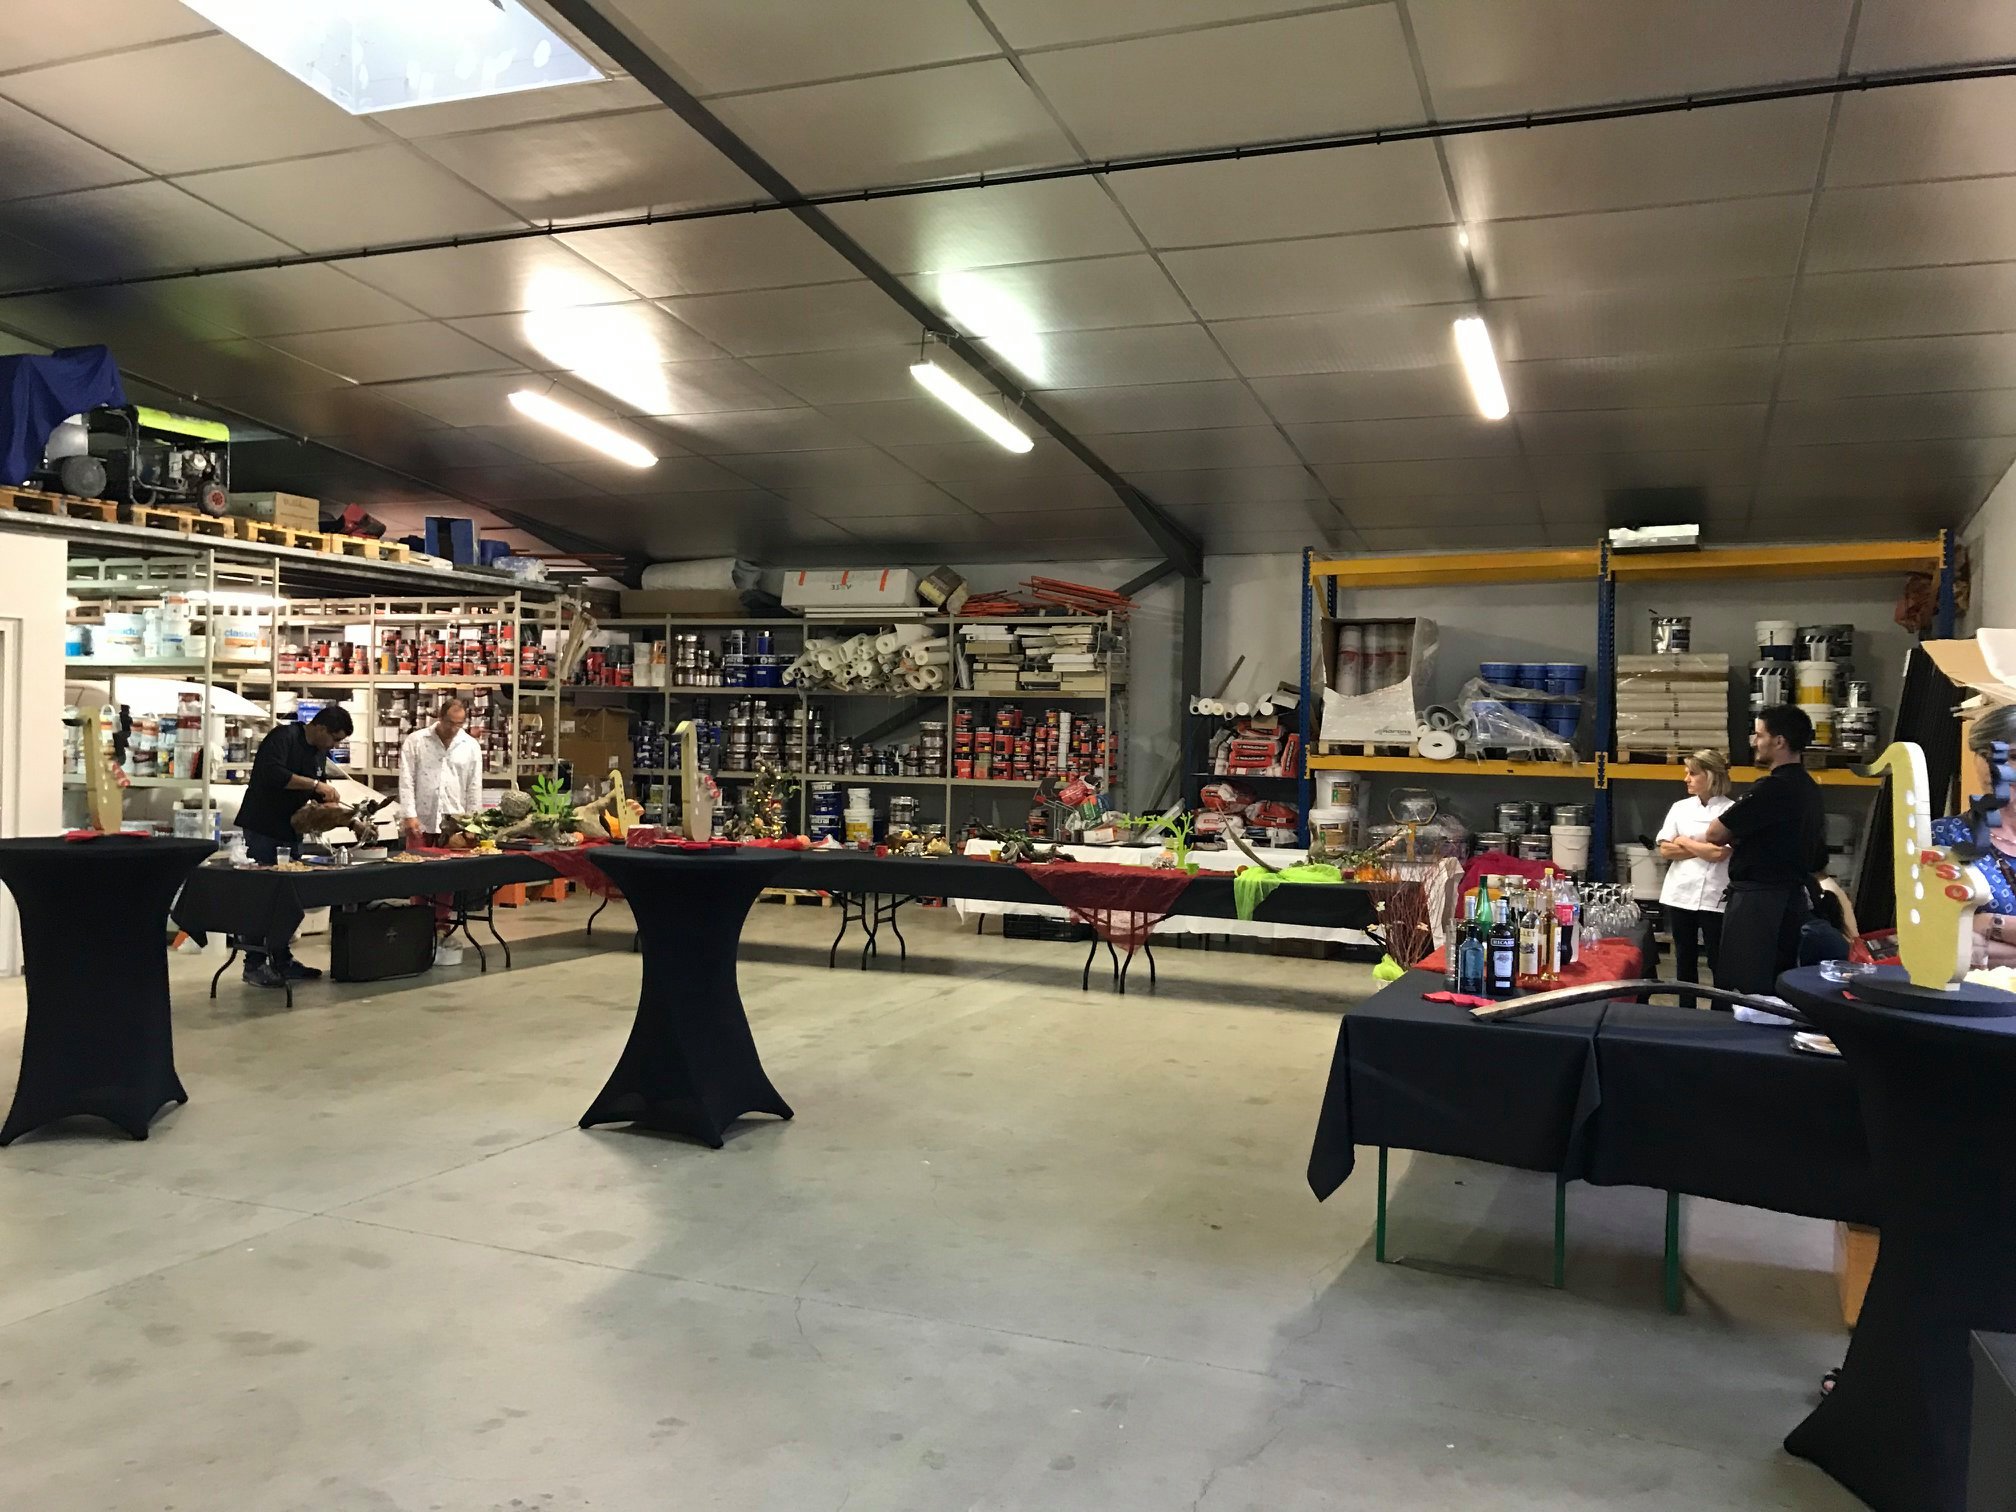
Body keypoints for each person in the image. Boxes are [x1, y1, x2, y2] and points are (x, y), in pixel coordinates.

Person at [1706, 704, 1827, 995]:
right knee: (1777, 979)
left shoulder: (1772, 788)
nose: (1754, 742)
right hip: (1791, 899)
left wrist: (1739, 839)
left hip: (1759, 904)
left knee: (1748, 984)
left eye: (1760, 735)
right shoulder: (1809, 788)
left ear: (1779, 741)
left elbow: (1715, 833)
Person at [233, 704, 351, 988]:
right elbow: (272, 774)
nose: (334, 746)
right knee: (263, 897)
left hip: (291, 831)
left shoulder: (318, 752)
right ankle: (254, 964)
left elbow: (320, 795)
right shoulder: (283, 738)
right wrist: (315, 785)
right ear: (320, 728)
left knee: (289, 899)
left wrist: (350, 819)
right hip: (263, 828)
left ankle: (281, 958)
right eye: (334, 739)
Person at [1935, 702, 2016, 971]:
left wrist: (1988, 924)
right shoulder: (1946, 836)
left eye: (2013, 756)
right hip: (1980, 992)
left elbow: (1971, 937)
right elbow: (1942, 939)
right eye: (1985, 754)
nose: (1996, 768)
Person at [1656, 748, 1733, 1007]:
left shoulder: (1731, 810)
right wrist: (1702, 848)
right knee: (1684, 959)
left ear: (1710, 776)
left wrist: (1684, 841)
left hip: (1715, 896)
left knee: (1718, 961)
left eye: (1692, 773)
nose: (1686, 779)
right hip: (1680, 893)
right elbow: (1666, 850)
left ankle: (1720, 1012)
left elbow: (1719, 854)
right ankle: (1685, 1012)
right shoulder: (1679, 808)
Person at [398, 698, 483, 847]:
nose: (454, 729)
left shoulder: (471, 746)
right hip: (421, 821)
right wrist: (408, 814)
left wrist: (473, 823)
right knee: (416, 860)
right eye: (450, 723)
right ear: (440, 717)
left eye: (459, 724)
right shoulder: (416, 741)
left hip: (456, 823)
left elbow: (474, 785)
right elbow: (407, 780)